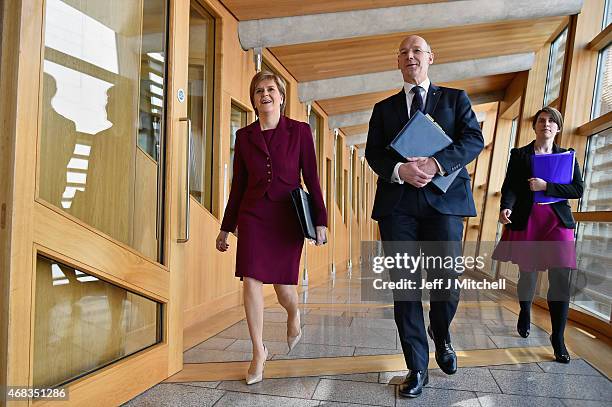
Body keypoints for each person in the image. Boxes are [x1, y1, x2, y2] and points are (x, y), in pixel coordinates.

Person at [365, 35, 483, 398]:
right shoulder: (383, 109)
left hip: (443, 202)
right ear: (397, 63)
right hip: (398, 205)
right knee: (405, 287)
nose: (410, 56)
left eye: (417, 51)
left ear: (431, 57)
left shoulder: (454, 99)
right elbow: (374, 154)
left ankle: (441, 330)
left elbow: (473, 140)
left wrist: (436, 163)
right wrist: (401, 170)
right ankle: (417, 367)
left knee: (447, 280)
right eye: (403, 53)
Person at [215, 71, 327, 385]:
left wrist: (321, 220)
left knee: (283, 290)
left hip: (287, 218)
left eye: (270, 89)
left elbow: (312, 179)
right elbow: (237, 186)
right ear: (253, 99)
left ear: (281, 96)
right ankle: (257, 351)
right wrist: (226, 228)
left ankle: (293, 314)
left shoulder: (301, 132)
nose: (265, 94)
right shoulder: (244, 136)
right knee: (250, 281)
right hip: (253, 216)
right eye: (258, 91)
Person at [493, 106, 583, 364]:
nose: (546, 124)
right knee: (528, 274)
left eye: (551, 121)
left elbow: (578, 189)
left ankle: (558, 338)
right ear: (535, 126)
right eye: (542, 120)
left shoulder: (567, 156)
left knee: (561, 279)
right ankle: (524, 310)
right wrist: (505, 206)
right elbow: (510, 186)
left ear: (558, 127)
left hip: (557, 221)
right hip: (528, 219)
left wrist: (547, 186)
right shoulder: (520, 154)